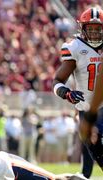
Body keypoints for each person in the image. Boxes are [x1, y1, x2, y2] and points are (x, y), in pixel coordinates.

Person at [52, 7, 103, 177]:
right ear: (83, 29)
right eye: (91, 29)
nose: (95, 33)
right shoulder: (75, 48)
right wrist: (66, 93)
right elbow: (57, 81)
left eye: (98, 29)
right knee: (95, 149)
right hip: (87, 108)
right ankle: (85, 173)